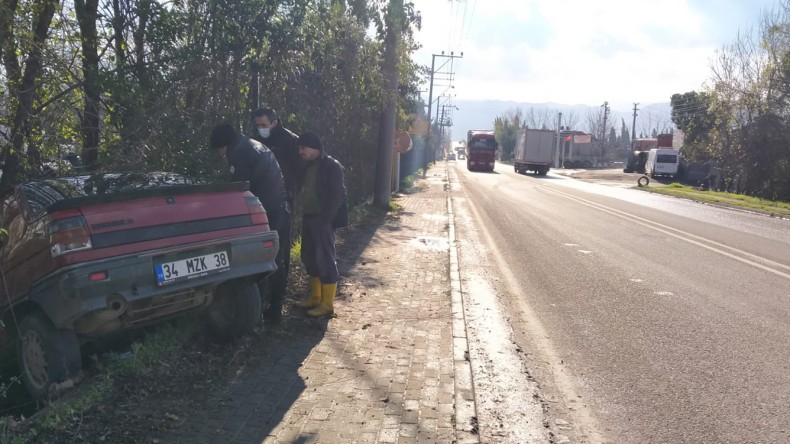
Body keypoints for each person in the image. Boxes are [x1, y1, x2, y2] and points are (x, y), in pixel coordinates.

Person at [209, 123, 290, 324]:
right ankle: (275, 307)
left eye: (218, 150)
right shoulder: (253, 144)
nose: (220, 155)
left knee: (261, 259)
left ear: (223, 144)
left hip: (265, 211)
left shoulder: (238, 152)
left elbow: (240, 191)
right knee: (276, 258)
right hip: (280, 206)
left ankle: (260, 311)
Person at [251, 108, 304, 319]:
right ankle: (262, 297)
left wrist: (291, 196)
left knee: (280, 253)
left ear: (274, 122)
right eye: (258, 125)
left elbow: (300, 171)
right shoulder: (256, 140)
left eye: (264, 125)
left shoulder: (289, 141)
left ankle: (277, 302)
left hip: (282, 202)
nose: (260, 129)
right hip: (261, 200)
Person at [292, 132, 347, 317]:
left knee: (325, 260)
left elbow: (338, 195)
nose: (300, 152)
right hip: (308, 217)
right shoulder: (307, 165)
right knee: (309, 257)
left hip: (322, 220)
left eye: (303, 148)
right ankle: (315, 297)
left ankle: (327, 304)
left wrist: (327, 220)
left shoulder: (331, 165)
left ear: (314, 147)